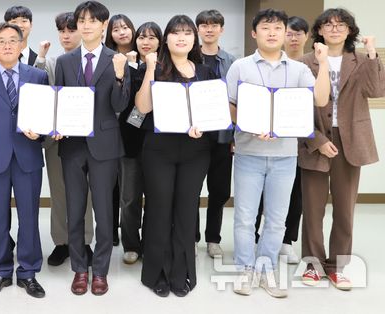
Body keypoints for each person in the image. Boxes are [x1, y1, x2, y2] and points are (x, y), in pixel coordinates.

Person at [226, 9, 330, 298]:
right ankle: (246, 269)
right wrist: (248, 122)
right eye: (265, 27)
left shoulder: (298, 69)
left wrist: (321, 63)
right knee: (245, 218)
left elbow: (319, 99)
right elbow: (230, 105)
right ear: (254, 33)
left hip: (285, 156)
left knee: (276, 218)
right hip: (249, 152)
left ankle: (266, 268)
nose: (272, 33)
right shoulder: (240, 67)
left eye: (277, 28)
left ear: (286, 33)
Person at [299, 8, 384, 291]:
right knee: (312, 209)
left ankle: (337, 266)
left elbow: (376, 90)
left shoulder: (360, 60)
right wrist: (316, 141)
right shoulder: (304, 62)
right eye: (328, 25)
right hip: (315, 139)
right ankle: (312, 264)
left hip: (351, 141)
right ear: (319, 31)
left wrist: (372, 51)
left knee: (345, 210)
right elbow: (298, 109)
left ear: (350, 31)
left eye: (341, 25)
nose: (334, 29)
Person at [133, 15, 214, 297]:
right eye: (175, 33)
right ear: (166, 38)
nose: (182, 37)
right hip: (158, 151)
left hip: (196, 151)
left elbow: (212, 112)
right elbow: (142, 107)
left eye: (187, 33)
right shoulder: (157, 66)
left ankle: (182, 272)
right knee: (158, 210)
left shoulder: (205, 71)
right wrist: (150, 68)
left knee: (185, 211)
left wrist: (202, 127)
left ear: (194, 38)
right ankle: (157, 273)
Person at [0, 22, 49, 299]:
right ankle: (0, 271)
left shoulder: (37, 75)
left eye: (12, 40)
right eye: (0, 41)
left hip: (27, 153)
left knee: (29, 218)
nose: (6, 45)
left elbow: (46, 117)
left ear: (22, 44)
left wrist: (41, 133)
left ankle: (28, 272)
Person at [55, 1, 129, 296]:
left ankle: (100, 271)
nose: (85, 25)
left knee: (104, 212)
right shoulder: (65, 61)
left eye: (91, 20)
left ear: (103, 24)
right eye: (81, 20)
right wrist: (56, 125)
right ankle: (79, 270)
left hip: (106, 145)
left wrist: (122, 76)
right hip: (72, 146)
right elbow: (59, 101)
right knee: (75, 212)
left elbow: (119, 106)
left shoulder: (116, 59)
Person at [34, 11, 96, 268]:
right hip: (57, 139)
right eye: (62, 31)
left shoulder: (91, 60)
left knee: (87, 194)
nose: (66, 35)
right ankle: (61, 242)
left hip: (87, 139)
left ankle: (83, 242)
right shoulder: (52, 62)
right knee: (59, 193)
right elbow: (38, 88)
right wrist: (40, 57)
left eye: (72, 29)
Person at [254, 16, 311, 265]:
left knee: (292, 198)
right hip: (257, 143)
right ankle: (257, 242)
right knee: (254, 201)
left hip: (296, 144)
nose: (293, 37)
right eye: (290, 33)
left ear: (306, 37)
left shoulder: (307, 66)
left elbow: (317, 104)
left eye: (299, 33)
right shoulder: (254, 65)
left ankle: (286, 241)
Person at [194, 9, 237, 259]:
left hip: (222, 136)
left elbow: (237, 100)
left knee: (219, 191)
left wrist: (234, 136)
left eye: (214, 25)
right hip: (195, 136)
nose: (209, 29)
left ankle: (213, 238)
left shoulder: (232, 62)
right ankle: (191, 237)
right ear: (198, 30)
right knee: (191, 190)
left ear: (221, 29)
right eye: (204, 25)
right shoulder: (190, 57)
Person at [118, 21, 162, 264]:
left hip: (159, 143)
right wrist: (139, 115)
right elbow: (126, 109)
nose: (146, 42)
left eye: (152, 37)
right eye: (142, 37)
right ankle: (131, 244)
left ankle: (151, 243)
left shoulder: (164, 69)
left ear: (160, 42)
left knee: (157, 197)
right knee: (130, 197)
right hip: (131, 143)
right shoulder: (129, 67)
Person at [104, 13, 136, 248]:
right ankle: (110, 230)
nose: (122, 32)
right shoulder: (106, 59)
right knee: (110, 184)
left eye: (126, 27)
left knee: (129, 186)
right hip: (109, 126)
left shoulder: (142, 55)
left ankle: (129, 233)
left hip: (134, 129)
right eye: (116, 29)